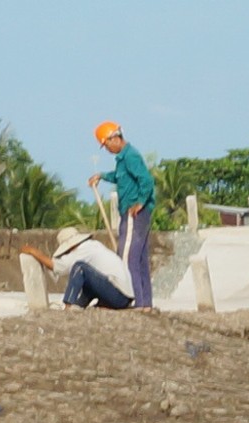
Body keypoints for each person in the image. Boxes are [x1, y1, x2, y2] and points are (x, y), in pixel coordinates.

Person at [87, 121, 156, 309]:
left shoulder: (130, 156)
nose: (107, 149)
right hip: (133, 212)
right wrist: (101, 176)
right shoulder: (123, 160)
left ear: (114, 138)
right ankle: (144, 303)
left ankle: (132, 300)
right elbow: (119, 176)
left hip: (135, 213)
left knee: (126, 258)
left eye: (106, 144)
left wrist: (140, 202)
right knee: (139, 259)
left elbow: (146, 180)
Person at [20, 226, 134, 309]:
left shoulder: (83, 250)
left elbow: (57, 267)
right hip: (124, 297)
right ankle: (79, 305)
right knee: (88, 280)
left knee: (80, 268)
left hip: (118, 296)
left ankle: (68, 305)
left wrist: (34, 252)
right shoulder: (94, 245)